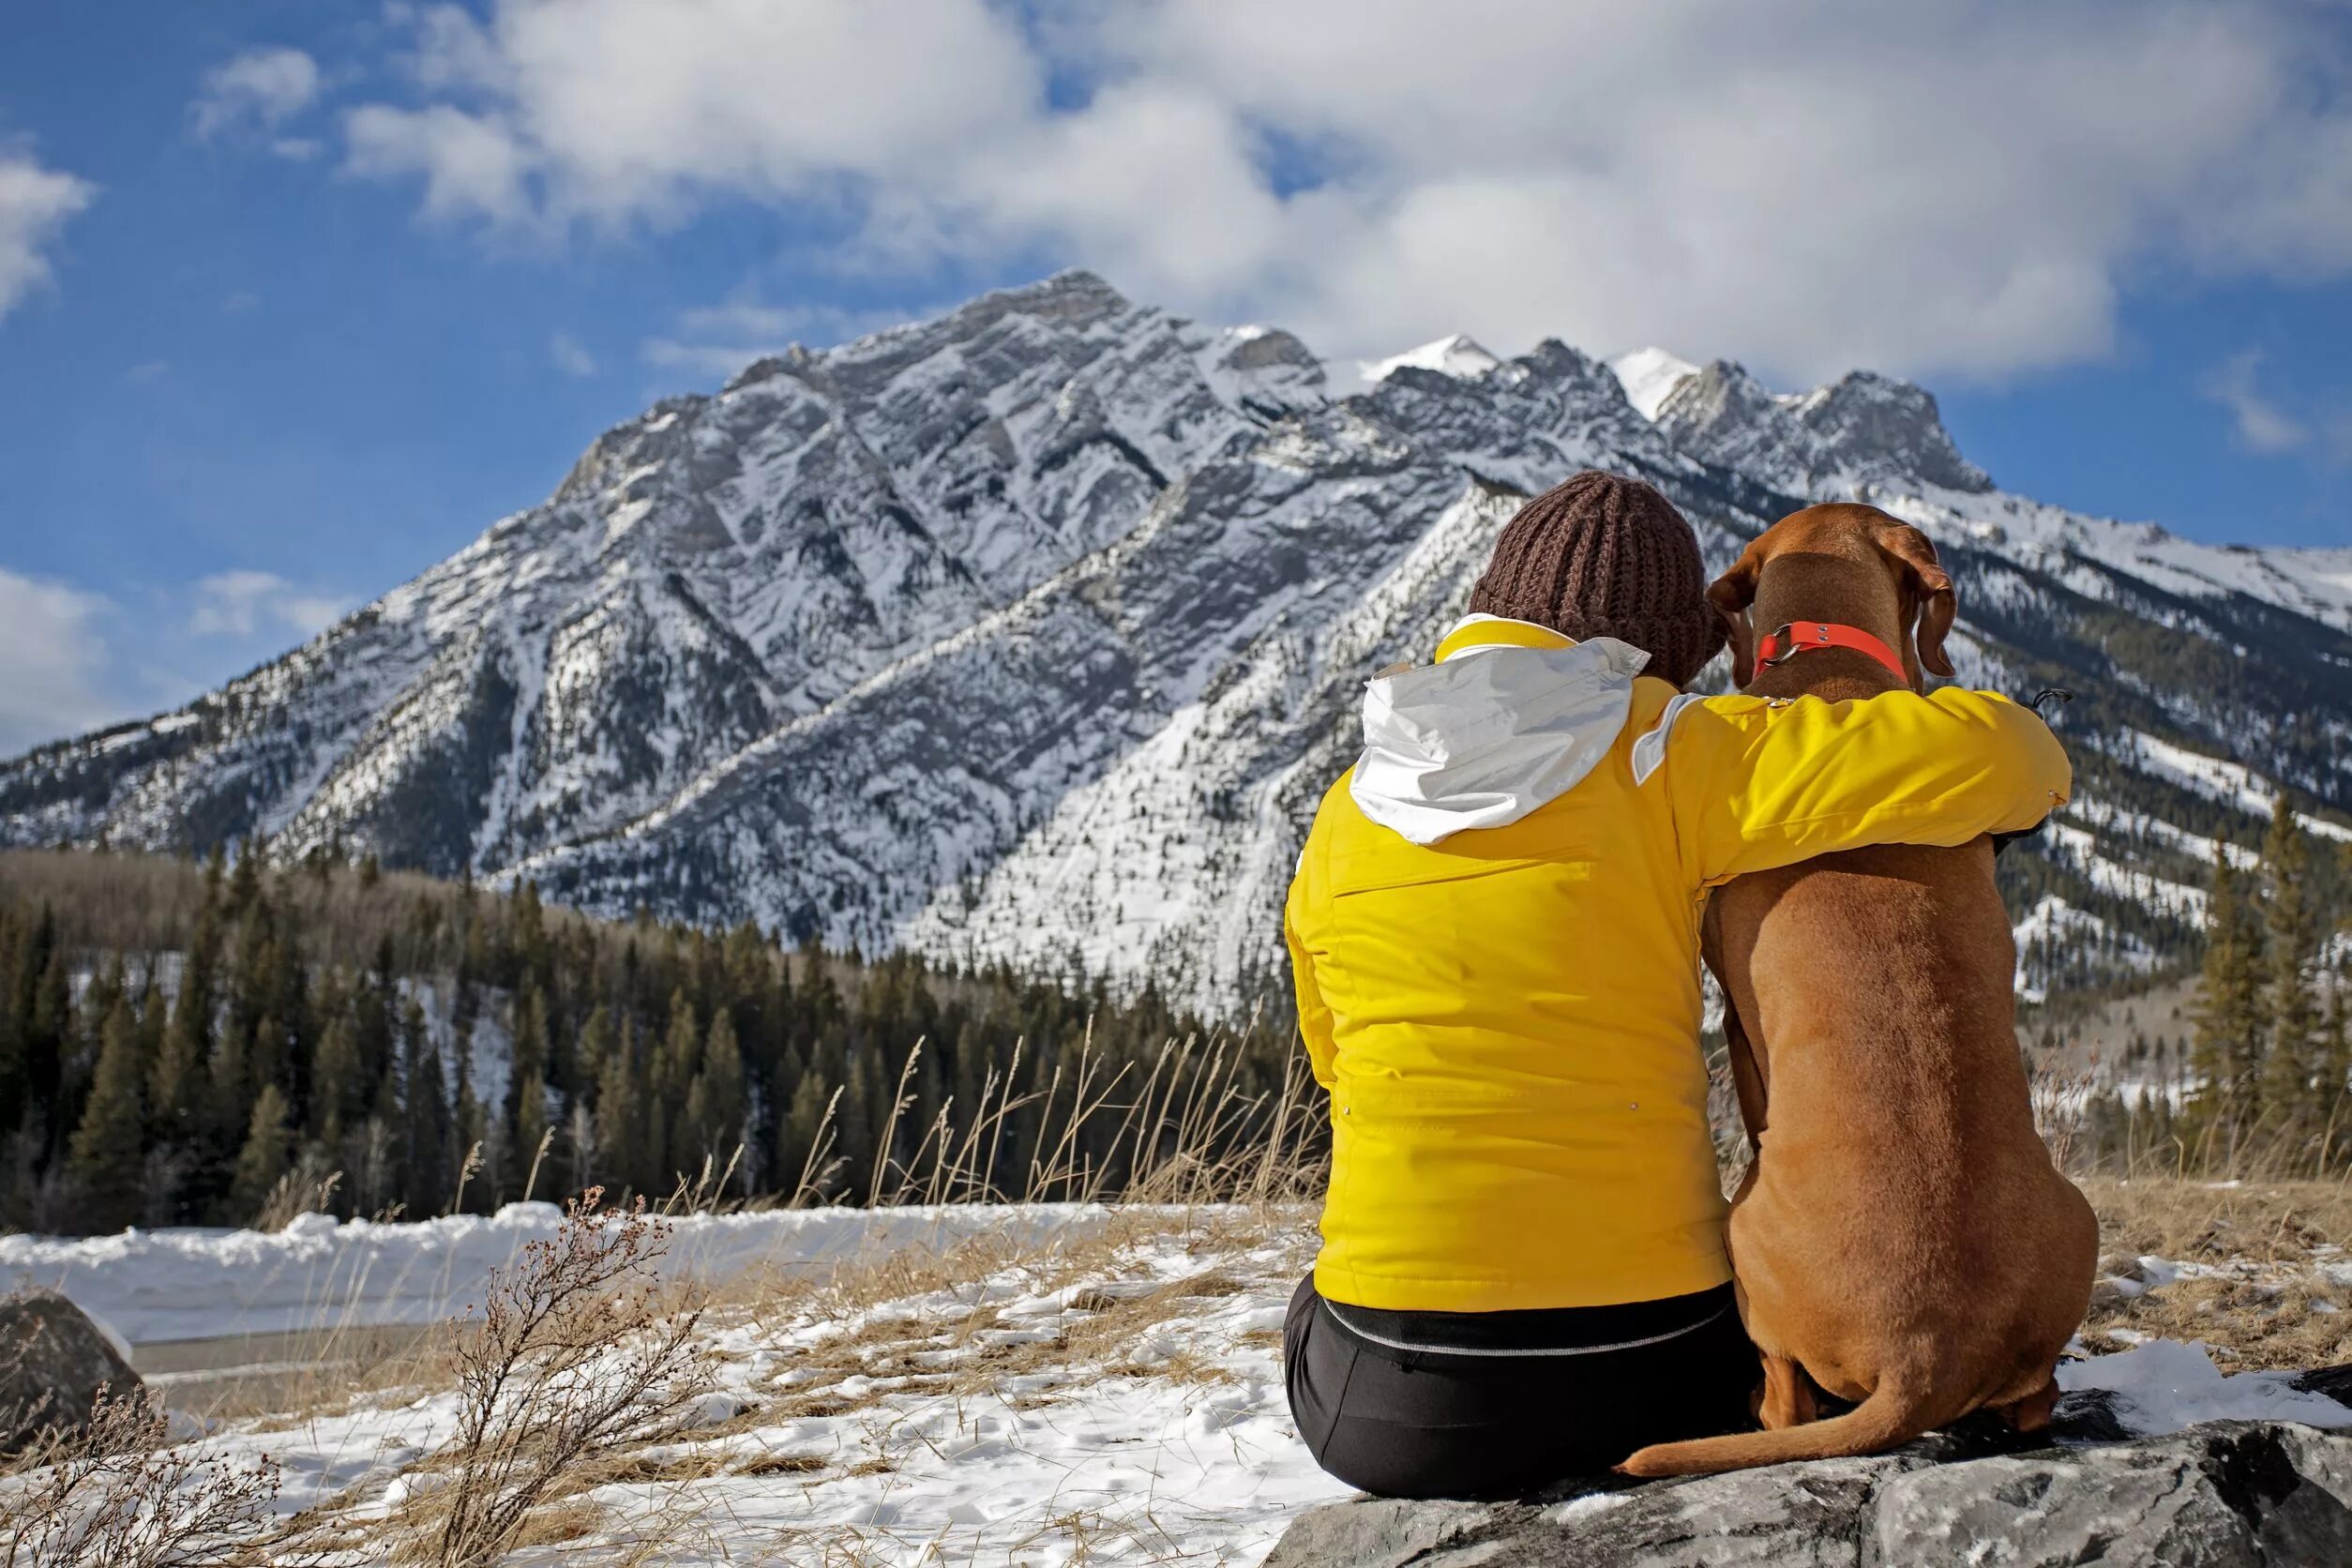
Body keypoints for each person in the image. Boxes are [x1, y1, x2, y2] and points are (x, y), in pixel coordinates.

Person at [1280, 470, 2071, 1500]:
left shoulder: (1344, 813)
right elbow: (2018, 757)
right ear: (1654, 652)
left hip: (1389, 1415)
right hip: (1653, 1371)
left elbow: (1336, 1067)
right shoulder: (1674, 749)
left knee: (1319, 1299)